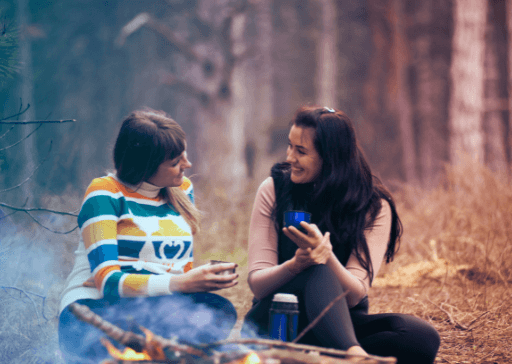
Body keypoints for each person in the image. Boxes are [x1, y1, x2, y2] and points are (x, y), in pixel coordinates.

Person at [242, 106, 440, 363]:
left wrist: (328, 257)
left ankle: (329, 354)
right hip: (277, 320)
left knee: (420, 337)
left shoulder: (374, 206)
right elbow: (258, 284)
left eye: (301, 151)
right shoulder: (274, 190)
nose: (289, 157)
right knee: (313, 266)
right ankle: (352, 355)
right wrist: (295, 265)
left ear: (331, 158)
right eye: (290, 146)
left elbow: (356, 293)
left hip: (339, 323)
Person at [58, 109, 238, 364]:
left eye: (184, 155)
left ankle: (162, 353)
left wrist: (195, 282)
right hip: (95, 312)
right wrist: (181, 283)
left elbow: (179, 269)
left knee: (218, 310)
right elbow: (108, 284)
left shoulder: (182, 189)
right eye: (175, 162)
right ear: (144, 166)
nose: (186, 165)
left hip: (153, 309)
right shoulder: (105, 193)